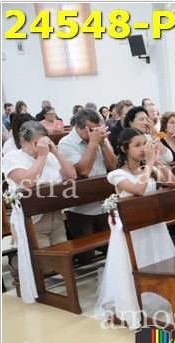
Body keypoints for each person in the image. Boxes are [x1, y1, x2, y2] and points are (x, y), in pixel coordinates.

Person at [97, 128, 175, 328]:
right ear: (125, 149)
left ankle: (157, 295)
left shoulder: (147, 168)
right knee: (137, 264)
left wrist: (157, 162)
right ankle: (135, 301)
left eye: (145, 144)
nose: (143, 149)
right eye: (137, 145)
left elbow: (173, 183)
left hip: (153, 225)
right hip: (132, 231)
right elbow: (139, 190)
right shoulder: (116, 175)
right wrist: (149, 164)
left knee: (156, 260)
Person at [3, 121, 77, 303]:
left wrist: (55, 152)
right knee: (42, 263)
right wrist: (42, 157)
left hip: (54, 213)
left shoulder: (50, 156)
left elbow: (72, 176)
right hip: (32, 219)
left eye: (44, 142)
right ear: (24, 142)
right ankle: (20, 269)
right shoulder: (12, 157)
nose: (42, 147)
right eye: (37, 143)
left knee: (62, 259)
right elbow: (27, 182)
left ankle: (65, 292)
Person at [59, 109, 117, 262]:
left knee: (112, 248)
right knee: (86, 257)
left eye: (98, 129)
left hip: (102, 202)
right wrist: (93, 143)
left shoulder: (99, 139)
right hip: (80, 207)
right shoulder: (66, 143)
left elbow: (113, 166)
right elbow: (83, 171)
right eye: (91, 129)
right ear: (79, 127)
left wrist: (103, 144)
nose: (95, 133)